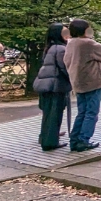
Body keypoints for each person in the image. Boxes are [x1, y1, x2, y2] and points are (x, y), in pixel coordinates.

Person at [64, 19, 101, 152]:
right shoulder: (88, 43)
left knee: (82, 112)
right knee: (91, 112)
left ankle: (74, 140)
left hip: (78, 82)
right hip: (92, 82)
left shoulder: (71, 43)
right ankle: (83, 140)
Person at [32, 23, 71, 151]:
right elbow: (64, 67)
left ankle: (46, 137)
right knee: (54, 114)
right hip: (55, 86)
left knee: (48, 114)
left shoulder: (49, 47)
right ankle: (50, 142)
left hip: (46, 85)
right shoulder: (60, 49)